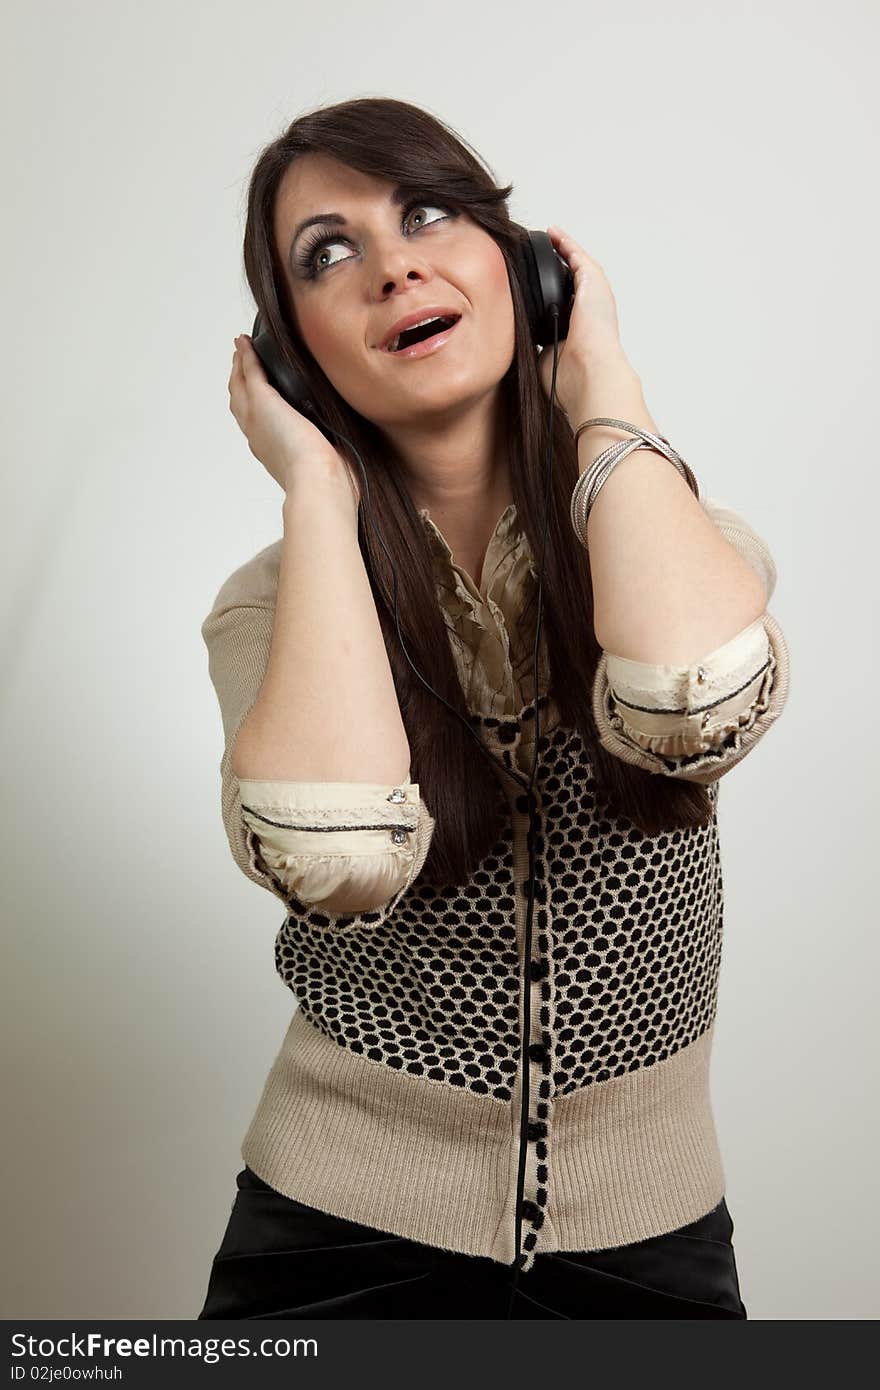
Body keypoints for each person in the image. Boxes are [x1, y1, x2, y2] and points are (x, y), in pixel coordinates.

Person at [196, 96, 788, 1320]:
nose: (394, 263)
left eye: (424, 213)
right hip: (328, 1238)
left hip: (651, 1238)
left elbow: (692, 707)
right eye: (329, 251)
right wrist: (314, 489)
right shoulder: (267, 607)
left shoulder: (670, 536)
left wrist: (600, 381)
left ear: (521, 269)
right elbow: (337, 854)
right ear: (295, 351)